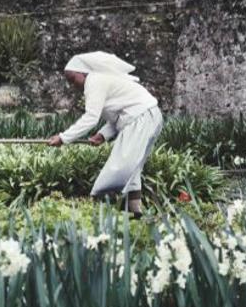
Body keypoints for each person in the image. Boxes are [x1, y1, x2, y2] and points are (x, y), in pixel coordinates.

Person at [47, 52, 163, 217]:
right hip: (149, 117)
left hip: (141, 119)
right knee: (132, 168)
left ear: (83, 72)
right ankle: (135, 212)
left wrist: (63, 137)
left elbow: (91, 117)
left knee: (119, 166)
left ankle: (94, 208)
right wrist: (102, 135)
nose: (73, 85)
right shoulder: (102, 80)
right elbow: (119, 116)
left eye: (73, 79)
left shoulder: (94, 81)